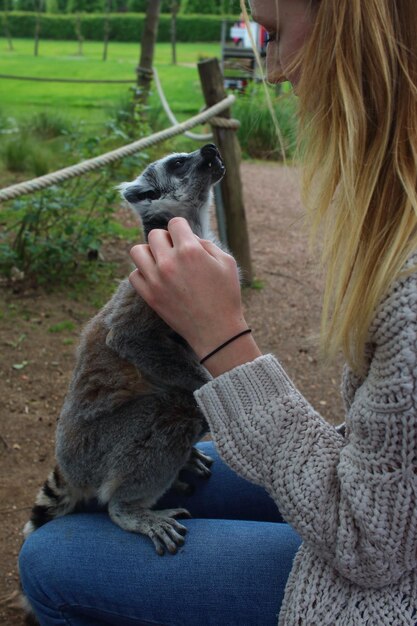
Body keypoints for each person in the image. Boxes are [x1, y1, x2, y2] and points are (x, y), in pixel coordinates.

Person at [19, 0, 417, 624]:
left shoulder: (408, 297)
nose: (274, 70)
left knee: (48, 560)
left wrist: (224, 346)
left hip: (378, 586)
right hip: (370, 513)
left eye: (277, 34)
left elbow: (374, 547)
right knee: (191, 433)